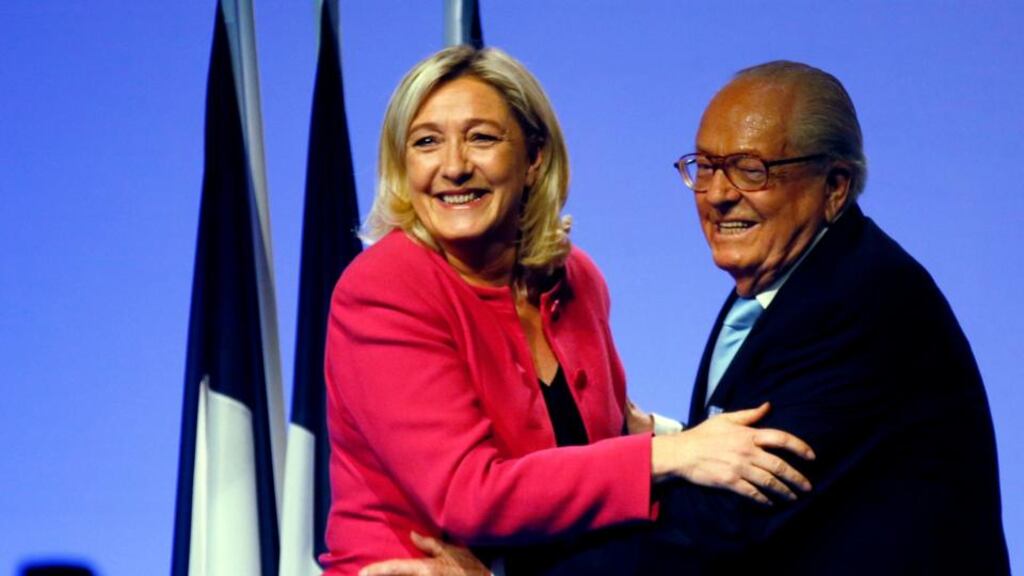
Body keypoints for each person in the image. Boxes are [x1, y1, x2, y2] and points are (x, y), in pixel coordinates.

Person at [370, 60, 1012, 576]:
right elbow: (734, 439)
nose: (718, 193)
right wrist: (668, 439)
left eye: (752, 170)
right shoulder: (781, 289)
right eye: (705, 166)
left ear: (834, 188)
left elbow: (717, 527)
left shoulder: (862, 303)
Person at [320, 46, 816, 575]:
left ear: (534, 158)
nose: (455, 167)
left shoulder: (574, 277)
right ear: (402, 164)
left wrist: (692, 440)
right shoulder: (384, 288)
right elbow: (470, 496)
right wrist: (672, 456)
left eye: (482, 138)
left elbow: (606, 433)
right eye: (426, 143)